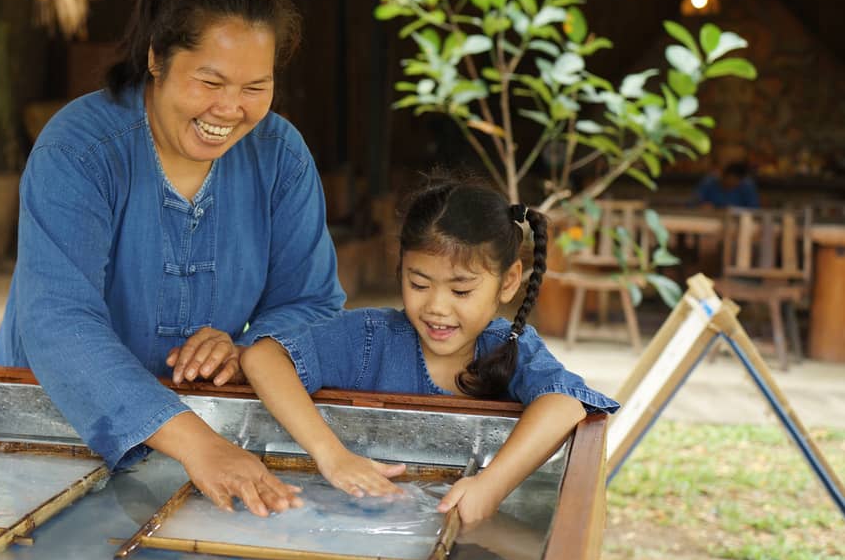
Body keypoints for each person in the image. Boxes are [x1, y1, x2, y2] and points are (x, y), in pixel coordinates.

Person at [0, 0, 345, 516]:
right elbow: (58, 322)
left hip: (209, 446)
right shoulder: (79, 152)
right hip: (48, 435)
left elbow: (312, 301)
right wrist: (199, 445)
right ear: (156, 58)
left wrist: (250, 350)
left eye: (256, 86)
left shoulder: (280, 155)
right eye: (209, 81)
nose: (229, 109)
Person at [240, 179, 617, 526]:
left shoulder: (511, 346)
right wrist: (332, 455)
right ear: (401, 268)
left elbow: (565, 404)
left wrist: (490, 486)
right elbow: (263, 358)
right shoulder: (369, 338)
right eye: (419, 283)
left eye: (461, 291)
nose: (437, 307)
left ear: (509, 282)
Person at [694, 160, 760, 208]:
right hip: (711, 220)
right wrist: (701, 205)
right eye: (729, 180)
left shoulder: (747, 186)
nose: (731, 184)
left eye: (735, 182)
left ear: (740, 180)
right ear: (723, 176)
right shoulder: (709, 182)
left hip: (738, 221)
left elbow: (754, 209)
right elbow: (692, 203)